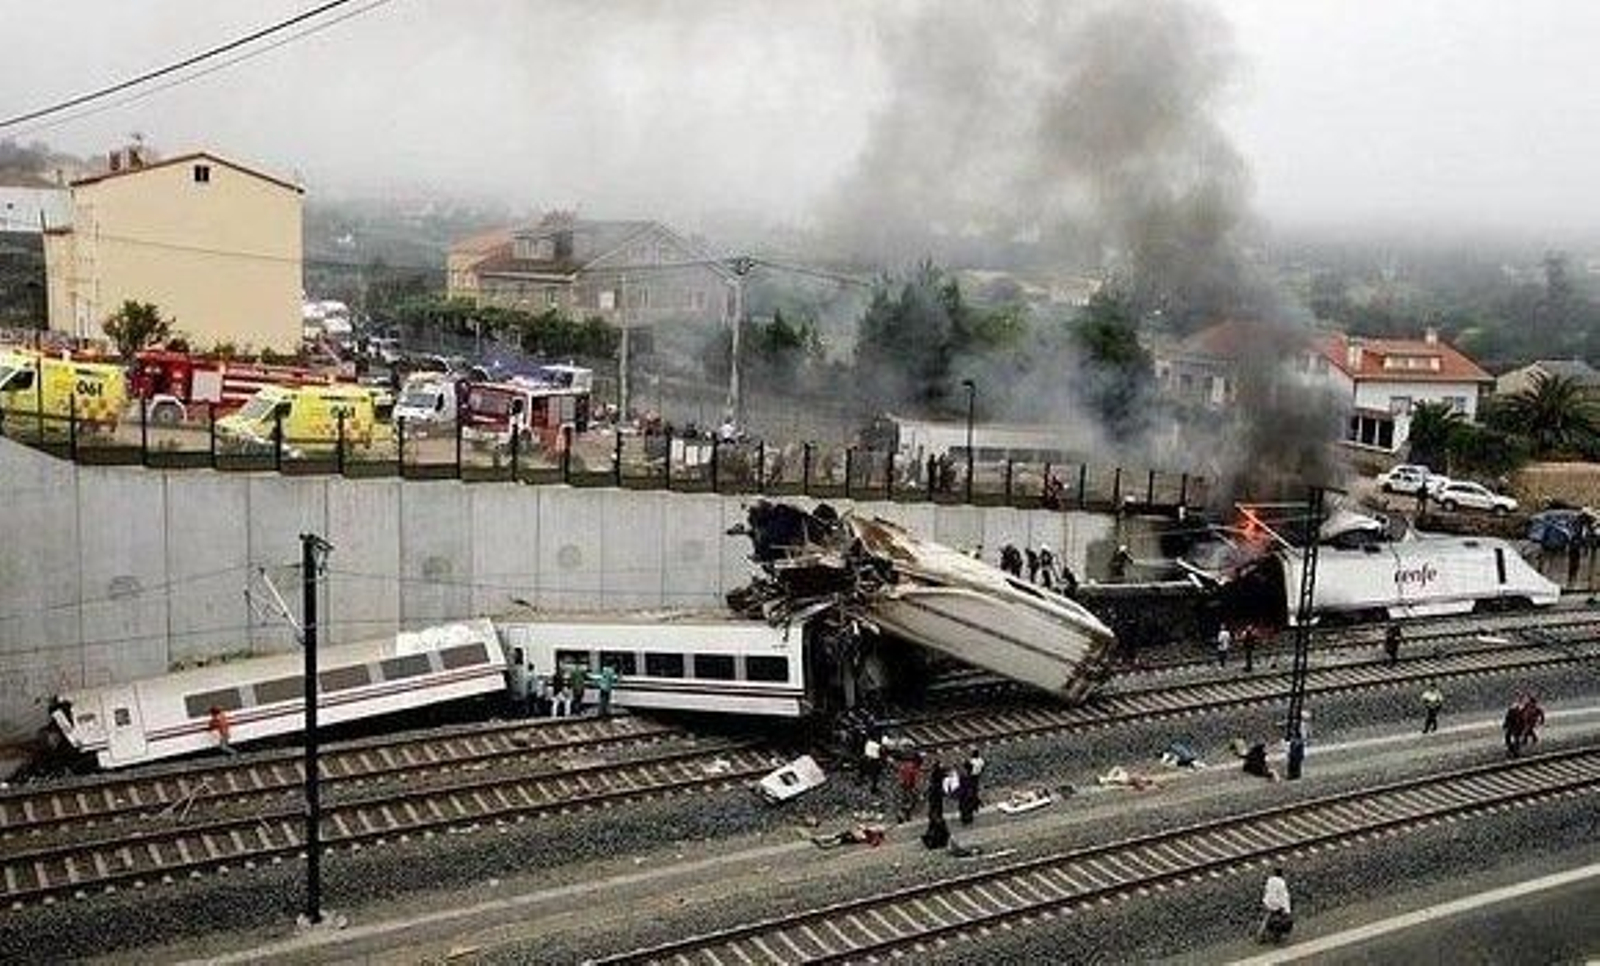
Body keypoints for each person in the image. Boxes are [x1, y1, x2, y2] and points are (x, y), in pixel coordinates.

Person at [1256, 867, 1293, 944]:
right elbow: (1283, 896)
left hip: (1267, 902)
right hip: (1277, 905)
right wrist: (1285, 909)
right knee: (1279, 921)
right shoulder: (1282, 883)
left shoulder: (1270, 880)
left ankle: (1260, 936)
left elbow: (1268, 891)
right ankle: (1275, 937)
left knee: (1266, 919)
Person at [896, 753, 924, 823]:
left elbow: (901, 775)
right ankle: (904, 814)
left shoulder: (906, 765)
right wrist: (913, 788)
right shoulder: (913, 767)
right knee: (911, 801)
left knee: (906, 801)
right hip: (908, 786)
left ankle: (904, 814)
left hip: (904, 786)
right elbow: (913, 778)